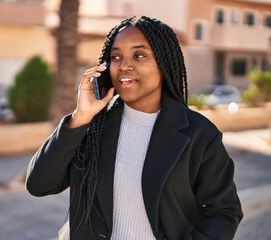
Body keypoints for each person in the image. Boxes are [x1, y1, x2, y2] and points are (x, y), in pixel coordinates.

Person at [26, 16, 243, 240]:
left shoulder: (199, 133)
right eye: (116, 57)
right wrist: (80, 118)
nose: (124, 65)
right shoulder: (92, 127)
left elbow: (223, 211)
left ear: (163, 63)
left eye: (139, 55)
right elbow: (39, 184)